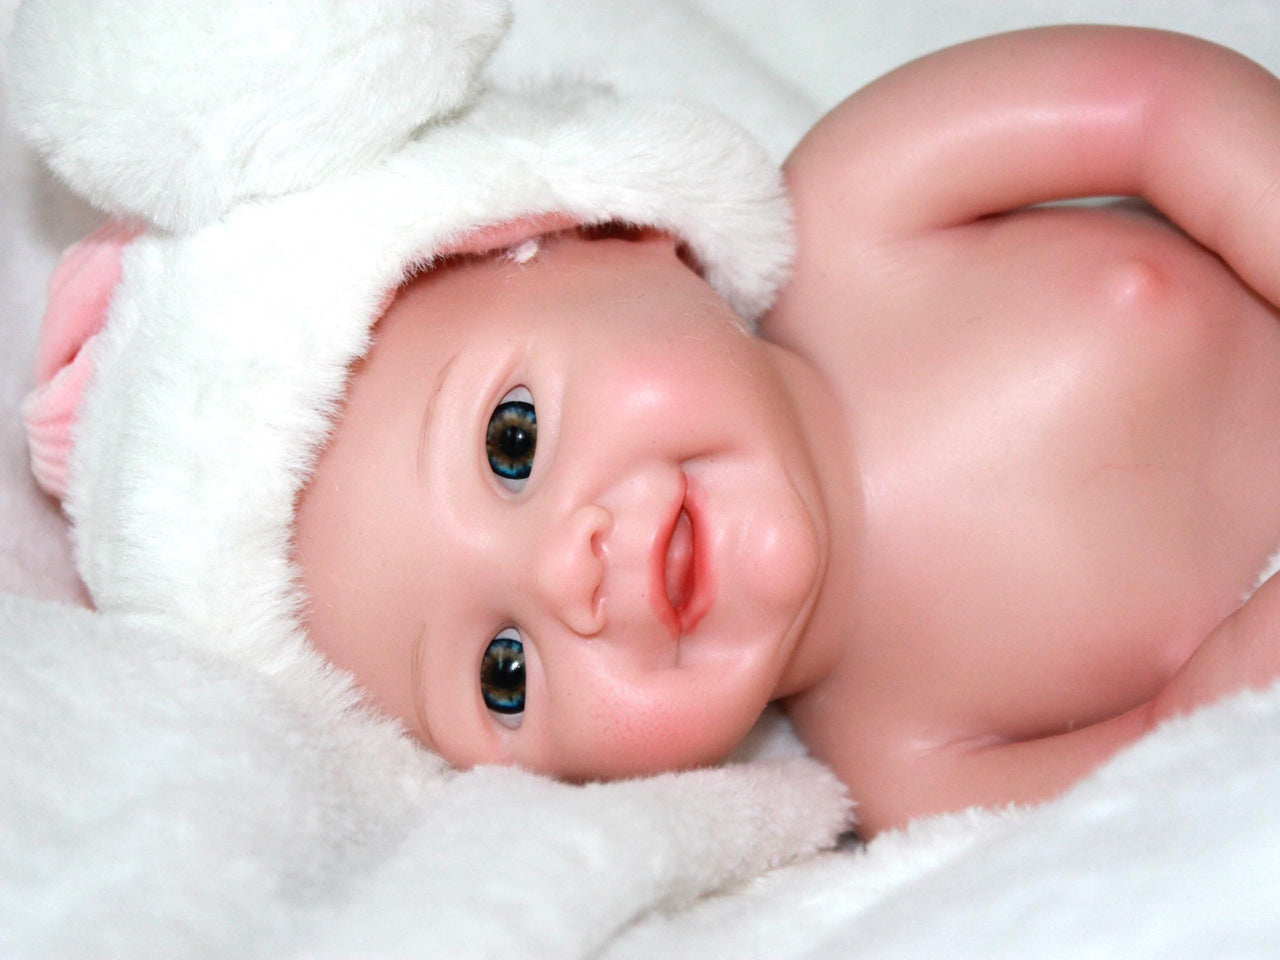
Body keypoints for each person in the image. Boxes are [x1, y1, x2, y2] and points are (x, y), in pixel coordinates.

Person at [14, 10, 1280, 839]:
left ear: (611, 231)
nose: (564, 573)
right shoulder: (903, 765)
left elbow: (1149, 105)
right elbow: (1187, 740)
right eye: (502, 673)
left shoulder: (862, 202)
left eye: (511, 442)